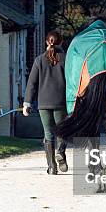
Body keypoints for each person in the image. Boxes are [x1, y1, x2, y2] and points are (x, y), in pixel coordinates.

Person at [23, 31, 68, 175]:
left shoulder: (39, 60)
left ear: (46, 42)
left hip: (43, 103)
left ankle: (51, 167)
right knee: (62, 131)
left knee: (48, 134)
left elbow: (32, 83)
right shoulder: (66, 59)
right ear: (61, 42)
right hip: (61, 102)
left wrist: (27, 103)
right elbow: (72, 81)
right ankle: (60, 153)